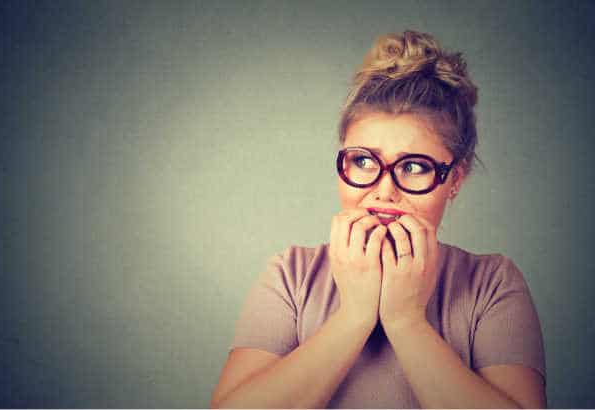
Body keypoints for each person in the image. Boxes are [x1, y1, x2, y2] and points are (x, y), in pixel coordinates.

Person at [210, 30, 547, 408]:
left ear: (455, 178)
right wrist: (354, 315)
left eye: (415, 166)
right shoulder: (291, 275)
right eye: (364, 161)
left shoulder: (492, 284)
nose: (384, 190)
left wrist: (405, 321)